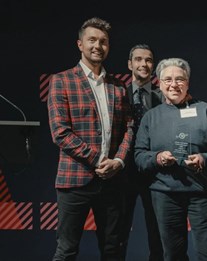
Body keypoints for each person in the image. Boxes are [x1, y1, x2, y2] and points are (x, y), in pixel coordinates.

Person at [47, 17, 133, 260]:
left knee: (112, 249)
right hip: (74, 181)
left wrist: (118, 161)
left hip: (112, 181)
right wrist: (99, 160)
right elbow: (60, 132)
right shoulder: (61, 81)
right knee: (66, 249)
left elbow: (129, 127)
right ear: (80, 44)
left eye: (103, 41)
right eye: (92, 40)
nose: (98, 45)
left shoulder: (118, 86)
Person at [134, 57, 207, 261]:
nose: (174, 84)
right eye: (168, 79)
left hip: (203, 193)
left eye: (179, 79)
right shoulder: (151, 117)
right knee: (172, 255)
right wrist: (158, 158)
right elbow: (139, 155)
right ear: (160, 84)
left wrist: (204, 159)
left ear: (187, 83)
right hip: (165, 195)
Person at [120, 44, 164, 260]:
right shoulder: (117, 94)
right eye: (138, 59)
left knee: (157, 233)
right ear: (130, 64)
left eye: (148, 60)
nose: (143, 64)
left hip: (154, 172)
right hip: (122, 173)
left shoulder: (163, 97)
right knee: (117, 232)